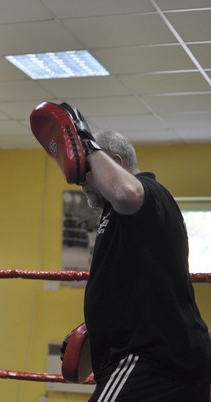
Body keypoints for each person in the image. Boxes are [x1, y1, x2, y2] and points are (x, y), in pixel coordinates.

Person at [31, 102, 211, 402]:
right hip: (167, 359)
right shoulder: (118, 215)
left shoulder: (148, 192)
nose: (81, 182)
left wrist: (86, 146)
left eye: (87, 172)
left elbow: (126, 192)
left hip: (149, 360)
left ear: (114, 162)